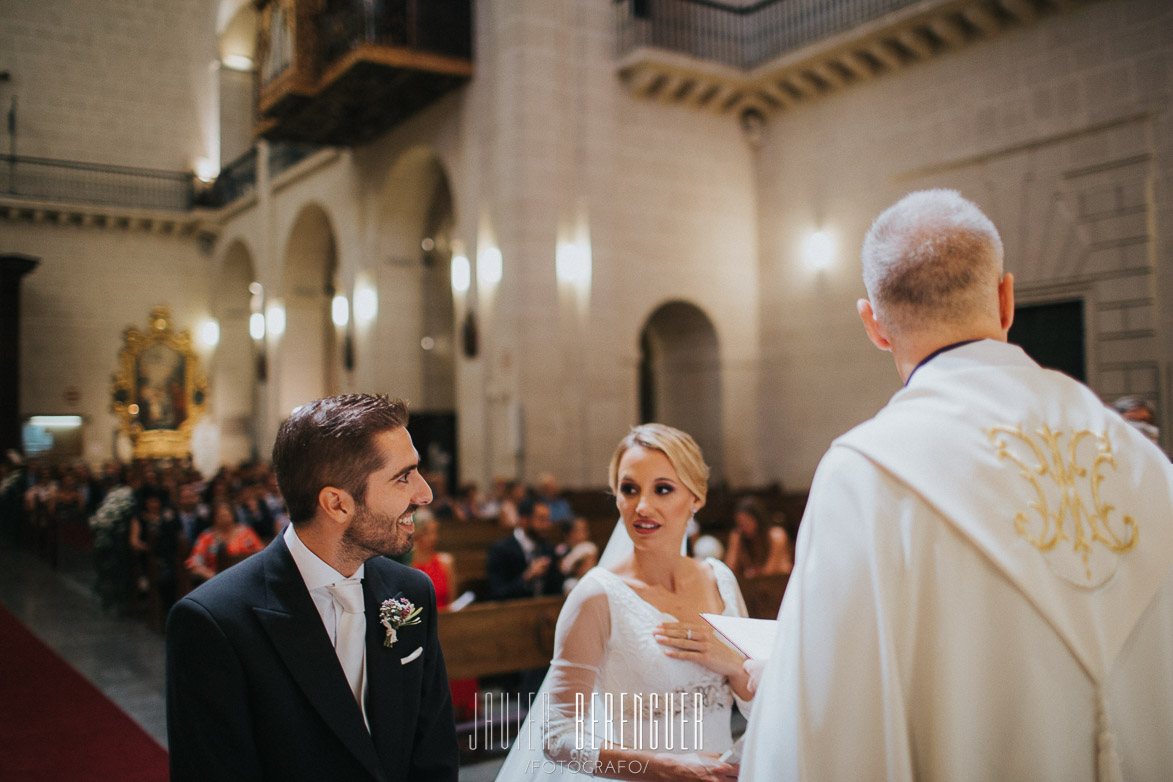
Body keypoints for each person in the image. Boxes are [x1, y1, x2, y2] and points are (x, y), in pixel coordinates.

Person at [740, 190, 1173, 781]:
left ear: (874, 326)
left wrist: (779, 687)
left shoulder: (866, 475)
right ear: (1005, 298)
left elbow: (823, 738)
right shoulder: (1144, 461)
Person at [166, 394, 459, 782]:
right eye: (403, 476)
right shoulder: (214, 622)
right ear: (336, 504)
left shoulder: (410, 591)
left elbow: (434, 756)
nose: (425, 494)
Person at [495, 423, 752, 781]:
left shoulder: (720, 580)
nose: (642, 506)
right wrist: (667, 767)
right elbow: (556, 738)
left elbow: (760, 707)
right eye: (629, 489)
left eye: (663, 489)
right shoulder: (597, 596)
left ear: (696, 498)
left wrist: (737, 666)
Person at [486, 497, 564, 600]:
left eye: (548, 519)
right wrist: (527, 577)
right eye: (541, 519)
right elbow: (496, 594)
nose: (547, 525)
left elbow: (556, 592)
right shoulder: (501, 550)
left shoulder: (548, 549)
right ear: (524, 520)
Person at [183, 500, 264, 584]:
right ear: (214, 518)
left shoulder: (246, 532)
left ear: (232, 515)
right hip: (216, 581)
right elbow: (194, 562)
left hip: (246, 577)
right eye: (220, 516)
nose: (224, 517)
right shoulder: (206, 537)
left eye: (226, 514)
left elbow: (261, 554)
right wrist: (211, 575)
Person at [722, 497, 792, 579]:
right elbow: (729, 568)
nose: (743, 528)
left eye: (747, 523)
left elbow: (770, 571)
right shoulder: (739, 535)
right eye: (740, 524)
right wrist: (736, 540)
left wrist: (754, 573)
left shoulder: (777, 535)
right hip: (754, 583)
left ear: (758, 520)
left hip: (778, 581)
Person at [556, 516, 599, 594]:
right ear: (568, 534)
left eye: (585, 530)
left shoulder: (589, 547)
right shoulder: (561, 550)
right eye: (579, 531)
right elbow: (563, 568)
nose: (585, 534)